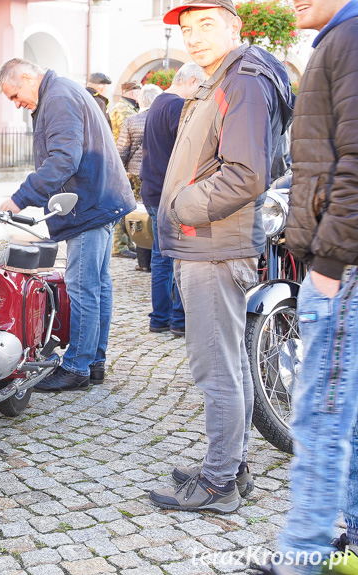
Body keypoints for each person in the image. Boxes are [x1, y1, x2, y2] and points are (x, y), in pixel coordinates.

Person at [147, 0, 294, 513]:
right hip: (208, 242)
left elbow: (246, 173)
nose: (193, 36)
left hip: (212, 244)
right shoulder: (225, 78)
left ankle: (219, 483)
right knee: (225, 363)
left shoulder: (243, 81)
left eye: (206, 24)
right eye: (186, 28)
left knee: (217, 369)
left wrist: (185, 205)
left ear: (235, 26)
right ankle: (232, 464)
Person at [255, 0, 358, 573]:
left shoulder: (349, 39)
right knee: (346, 415)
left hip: (341, 268)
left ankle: (304, 557)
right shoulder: (340, 38)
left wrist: (329, 261)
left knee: (320, 418)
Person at [0, 58, 135, 391]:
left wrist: (19, 198)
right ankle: (93, 360)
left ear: (28, 77)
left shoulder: (57, 96)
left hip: (86, 204)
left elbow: (63, 159)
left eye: (15, 95)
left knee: (83, 287)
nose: (17, 104)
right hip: (97, 200)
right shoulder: (63, 91)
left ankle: (77, 367)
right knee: (97, 286)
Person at [139, 62, 204, 337]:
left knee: (161, 256)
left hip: (153, 188)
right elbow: (188, 150)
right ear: (190, 80)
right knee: (176, 256)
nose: (200, 93)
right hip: (168, 191)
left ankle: (160, 318)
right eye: (200, 87)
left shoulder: (157, 102)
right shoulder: (177, 105)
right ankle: (178, 319)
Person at [116, 83, 163, 273]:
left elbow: (122, 150)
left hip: (135, 173)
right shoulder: (161, 119)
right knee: (155, 215)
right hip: (157, 173)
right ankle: (157, 258)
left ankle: (143, 262)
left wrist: (122, 172)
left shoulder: (131, 120)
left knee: (138, 217)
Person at [110, 81, 142, 259]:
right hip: (123, 164)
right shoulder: (124, 110)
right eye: (138, 91)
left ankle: (127, 242)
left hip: (123, 163)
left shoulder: (125, 108)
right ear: (131, 93)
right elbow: (127, 139)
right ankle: (120, 245)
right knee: (122, 206)